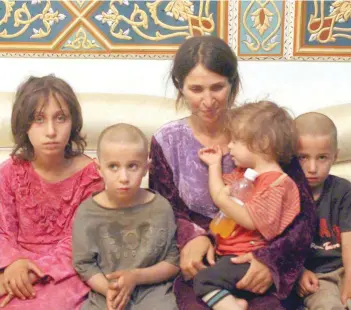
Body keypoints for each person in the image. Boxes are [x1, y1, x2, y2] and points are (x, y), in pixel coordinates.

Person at [148, 35, 317, 310]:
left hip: (259, 252)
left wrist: (269, 260)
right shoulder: (167, 142)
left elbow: (303, 212)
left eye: (217, 87)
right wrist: (192, 237)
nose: (207, 100)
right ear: (180, 87)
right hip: (205, 260)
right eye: (196, 89)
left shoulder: (262, 132)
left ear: (233, 84)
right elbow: (162, 208)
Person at [0, 75, 103, 309]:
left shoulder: (92, 177)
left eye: (60, 118)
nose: (50, 131)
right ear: (23, 124)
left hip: (67, 271)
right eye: (38, 119)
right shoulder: (9, 172)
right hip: (13, 265)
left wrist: (33, 273)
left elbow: (79, 241)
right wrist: (14, 264)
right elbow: (3, 230)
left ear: (73, 122)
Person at [193, 101, 301, 310]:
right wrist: (214, 166)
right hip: (226, 254)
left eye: (236, 140)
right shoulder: (244, 174)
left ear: (263, 142)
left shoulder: (278, 183)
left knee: (203, 281)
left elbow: (251, 221)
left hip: (249, 259)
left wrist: (223, 200)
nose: (230, 146)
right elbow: (217, 192)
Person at [72, 123, 179, 310]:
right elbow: (84, 264)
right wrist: (109, 290)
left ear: (146, 168)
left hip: (153, 293)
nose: (123, 177)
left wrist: (136, 277)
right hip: (105, 295)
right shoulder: (87, 213)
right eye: (113, 166)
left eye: (132, 166)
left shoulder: (161, 208)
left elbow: (173, 262)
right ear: (98, 168)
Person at [295, 112, 351, 310]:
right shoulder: (284, 191)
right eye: (303, 157)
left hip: (346, 267)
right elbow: (277, 243)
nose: (312, 168)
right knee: (329, 306)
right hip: (317, 277)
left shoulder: (343, 190)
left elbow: (349, 241)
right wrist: (298, 272)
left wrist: (350, 283)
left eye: (322, 158)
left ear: (335, 157)